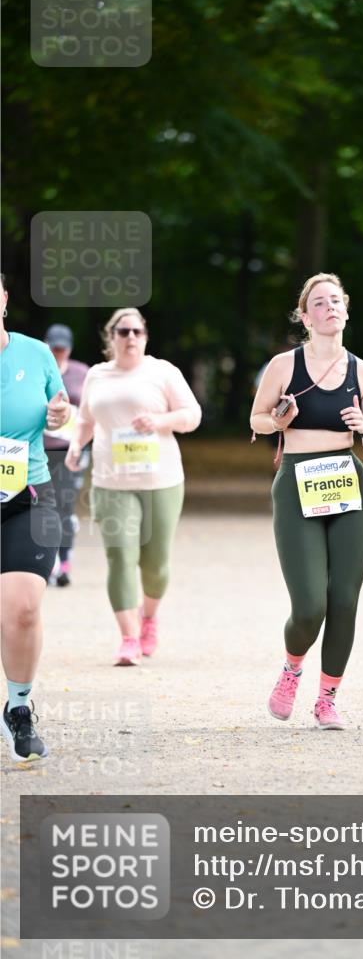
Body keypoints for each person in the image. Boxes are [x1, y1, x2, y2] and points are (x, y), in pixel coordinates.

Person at [251, 273, 363, 730]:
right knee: (310, 603)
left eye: (335, 301)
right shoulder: (284, 366)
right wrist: (278, 416)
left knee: (344, 598)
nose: (329, 307)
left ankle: (327, 698)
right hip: (296, 481)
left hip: (347, 479)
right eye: (319, 303)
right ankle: (291, 670)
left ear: (345, 310)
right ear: (305, 317)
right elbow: (257, 420)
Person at [65, 308, 201, 665]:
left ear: (145, 336)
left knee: (155, 564)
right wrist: (77, 446)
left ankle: (149, 619)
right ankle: (127, 638)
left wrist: (158, 421)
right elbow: (85, 420)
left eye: (137, 332)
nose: (130, 338)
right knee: (121, 556)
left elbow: (192, 416)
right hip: (111, 481)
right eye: (123, 331)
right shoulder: (97, 375)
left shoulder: (162, 372)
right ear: (111, 338)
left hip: (161, 480)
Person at [0, 274, 70, 761]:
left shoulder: (34, 352)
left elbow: (60, 407)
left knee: (22, 607)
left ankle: (18, 707)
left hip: (28, 493)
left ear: (3, 299)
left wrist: (60, 415)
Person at [43, 324, 90, 587]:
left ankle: (64, 560)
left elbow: (91, 407)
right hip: (41, 448)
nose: (58, 353)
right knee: (43, 506)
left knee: (65, 505)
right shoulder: (38, 371)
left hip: (72, 448)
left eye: (62, 348)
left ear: (69, 348)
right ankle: (46, 561)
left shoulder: (81, 373)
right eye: (54, 348)